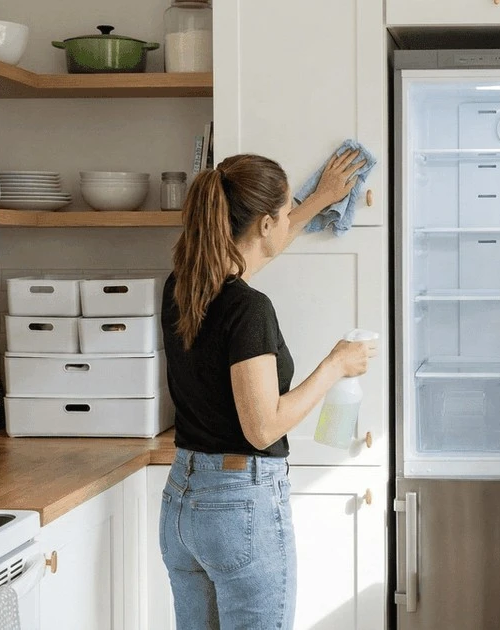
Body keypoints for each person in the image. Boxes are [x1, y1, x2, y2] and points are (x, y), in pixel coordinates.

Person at [159, 151, 374, 629]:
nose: (285, 223)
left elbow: (260, 246)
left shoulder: (182, 287)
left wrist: (318, 200)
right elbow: (262, 428)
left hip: (182, 504)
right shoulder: (250, 309)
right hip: (238, 507)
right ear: (262, 224)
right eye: (281, 215)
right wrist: (335, 364)